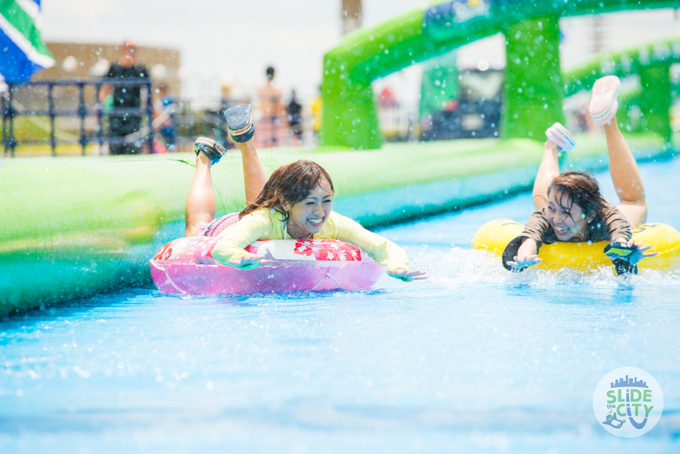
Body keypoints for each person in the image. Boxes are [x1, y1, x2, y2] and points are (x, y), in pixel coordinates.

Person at [185, 104, 427, 282]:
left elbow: (385, 247)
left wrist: (397, 266)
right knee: (197, 228)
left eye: (327, 201)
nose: (320, 212)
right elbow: (221, 248)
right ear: (288, 203)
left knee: (261, 203)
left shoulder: (332, 222)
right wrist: (238, 257)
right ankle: (204, 158)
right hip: (227, 228)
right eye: (311, 202)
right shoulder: (264, 220)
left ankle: (246, 141)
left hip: (265, 216)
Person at [502, 75, 656, 275]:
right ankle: (551, 146)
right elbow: (530, 239)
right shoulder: (546, 217)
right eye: (554, 210)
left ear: (591, 214)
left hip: (602, 217)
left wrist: (627, 253)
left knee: (633, 203)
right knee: (545, 201)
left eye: (566, 213)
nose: (557, 219)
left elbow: (620, 238)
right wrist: (523, 258)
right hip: (564, 205)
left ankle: (609, 121)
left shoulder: (606, 218)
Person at [99, 40, 149, 155]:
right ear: (123, 49)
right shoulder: (114, 68)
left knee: (133, 152)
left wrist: (154, 112)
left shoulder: (141, 70)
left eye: (134, 48)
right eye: (129, 48)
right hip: (116, 117)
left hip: (134, 118)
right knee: (115, 151)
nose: (132, 51)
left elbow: (149, 93)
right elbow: (104, 89)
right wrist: (100, 105)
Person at [257, 66, 285, 147]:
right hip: (273, 119)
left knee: (263, 143)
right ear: (274, 75)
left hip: (264, 118)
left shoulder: (261, 89)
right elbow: (279, 107)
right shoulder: (276, 89)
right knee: (275, 143)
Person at [153, 83, 177, 152]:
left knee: (169, 142)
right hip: (163, 126)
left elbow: (169, 113)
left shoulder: (168, 100)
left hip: (167, 126)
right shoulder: (160, 101)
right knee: (164, 142)